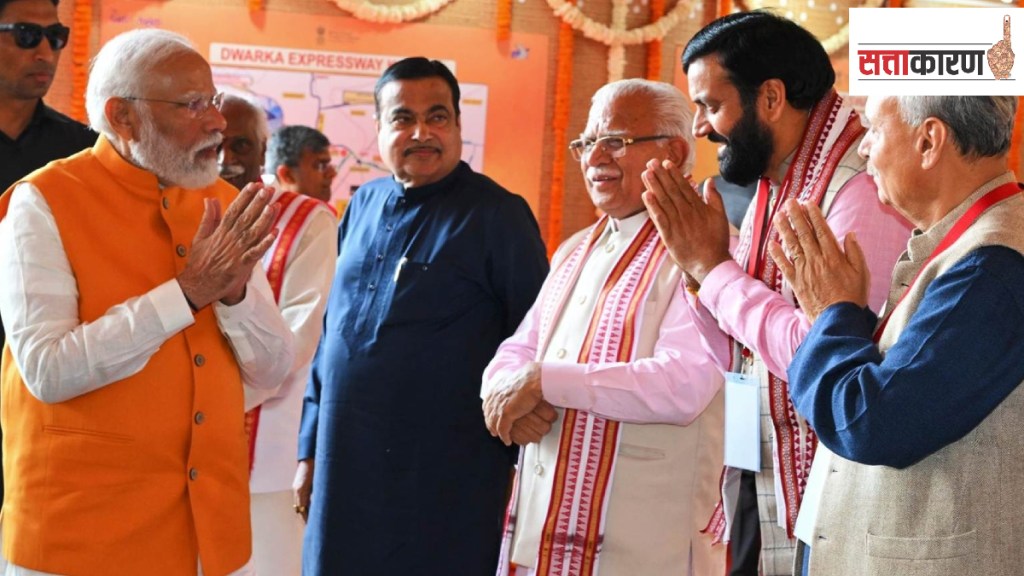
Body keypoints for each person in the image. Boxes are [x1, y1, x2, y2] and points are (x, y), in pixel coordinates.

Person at [0, 28, 295, 575]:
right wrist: (187, 294)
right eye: (191, 105)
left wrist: (233, 296)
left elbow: (273, 371)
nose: (217, 122)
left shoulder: (225, 202)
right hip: (79, 538)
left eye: (212, 100)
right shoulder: (43, 200)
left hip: (209, 537)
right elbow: (47, 369)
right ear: (122, 117)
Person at [640, 11, 911, 574]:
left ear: (769, 97)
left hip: (832, 493)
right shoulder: (778, 177)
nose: (700, 129)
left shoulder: (859, 185)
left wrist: (715, 270)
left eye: (711, 106)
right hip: (755, 467)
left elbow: (827, 355)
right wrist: (700, 279)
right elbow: (743, 350)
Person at [295, 57, 548, 575]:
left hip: (444, 478)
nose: (421, 132)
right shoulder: (361, 204)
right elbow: (332, 335)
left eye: (437, 117)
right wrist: (308, 450)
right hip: (344, 464)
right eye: (402, 118)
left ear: (458, 125)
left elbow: (534, 345)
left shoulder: (499, 216)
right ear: (380, 127)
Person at [770, 95, 1024, 575]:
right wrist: (842, 315)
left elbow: (874, 423)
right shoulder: (971, 243)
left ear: (929, 140)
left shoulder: (993, 264)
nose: (864, 149)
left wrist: (833, 312)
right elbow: (916, 380)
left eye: (873, 129)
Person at [482, 79, 726, 576]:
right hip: (545, 530)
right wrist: (506, 394)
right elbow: (518, 348)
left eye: (614, 140)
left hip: (645, 544)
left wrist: (543, 382)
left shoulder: (711, 249)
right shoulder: (576, 249)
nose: (595, 156)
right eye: (585, 143)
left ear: (676, 152)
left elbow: (684, 383)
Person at [224, 102, 338, 576]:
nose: (225, 157)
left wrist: (200, 400)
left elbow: (295, 345)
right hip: (169, 457)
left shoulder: (306, 220)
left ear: (265, 154)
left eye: (242, 144)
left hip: (264, 459)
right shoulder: (164, 208)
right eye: (217, 140)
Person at [0, 0, 97, 497]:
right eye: (25, 35)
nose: (45, 51)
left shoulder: (81, 152)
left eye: (55, 37)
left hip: (48, 372)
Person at [264, 124, 338, 205]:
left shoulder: (322, 215)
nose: (332, 173)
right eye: (321, 166)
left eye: (328, 165)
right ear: (287, 175)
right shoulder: (263, 215)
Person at [218, 92, 267, 191]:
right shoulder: (182, 204)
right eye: (213, 146)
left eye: (240, 145)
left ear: (262, 151)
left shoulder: (289, 206)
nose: (225, 160)